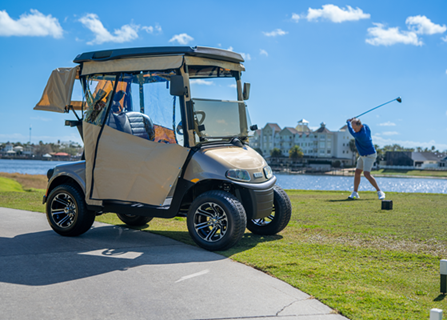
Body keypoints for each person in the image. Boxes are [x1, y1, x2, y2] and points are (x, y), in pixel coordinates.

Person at [346, 118, 385, 200]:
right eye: (354, 129)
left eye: (355, 129)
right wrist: (353, 121)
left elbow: (352, 132)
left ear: (360, 126)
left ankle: (380, 192)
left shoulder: (361, 135)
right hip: (362, 155)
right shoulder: (366, 126)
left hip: (370, 155)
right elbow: (355, 127)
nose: (355, 130)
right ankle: (355, 192)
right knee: (357, 172)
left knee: (366, 174)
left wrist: (348, 122)